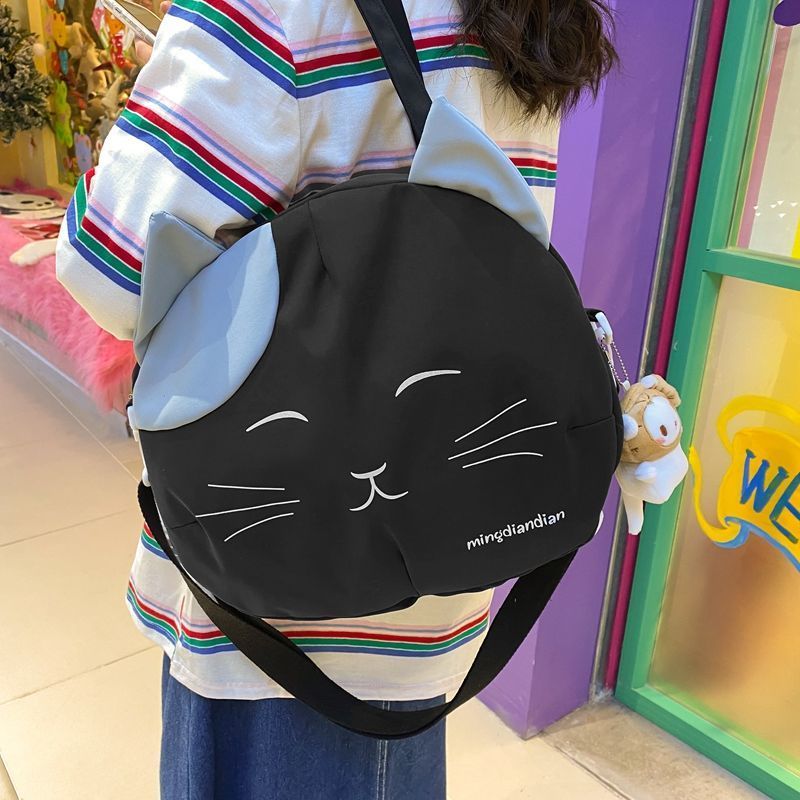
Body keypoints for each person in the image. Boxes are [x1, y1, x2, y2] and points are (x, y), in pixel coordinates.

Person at [55, 1, 617, 797]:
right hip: (446, 556)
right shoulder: (528, 10)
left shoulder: (280, 9)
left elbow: (111, 266)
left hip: (283, 608)